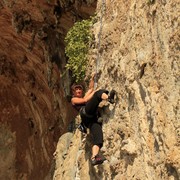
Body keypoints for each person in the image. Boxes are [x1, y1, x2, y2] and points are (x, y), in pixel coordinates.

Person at [71, 74, 116, 166]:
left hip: (91, 120)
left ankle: (94, 157)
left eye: (80, 89)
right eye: (77, 90)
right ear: (74, 93)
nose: (79, 90)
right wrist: (94, 92)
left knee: (98, 137)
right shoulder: (74, 99)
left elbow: (90, 89)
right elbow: (84, 100)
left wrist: (92, 78)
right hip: (85, 113)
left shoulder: (83, 96)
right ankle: (109, 98)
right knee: (98, 94)